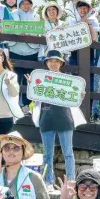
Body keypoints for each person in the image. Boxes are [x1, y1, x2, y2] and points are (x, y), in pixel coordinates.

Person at [32, 50, 84, 185]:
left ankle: (71, 181)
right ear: (47, 63)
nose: (54, 64)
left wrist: (80, 97)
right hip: (46, 117)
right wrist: (32, 86)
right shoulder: (40, 79)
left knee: (68, 152)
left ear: (61, 63)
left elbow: (75, 99)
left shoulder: (68, 80)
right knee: (47, 154)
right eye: (51, 61)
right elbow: (34, 99)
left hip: (64, 118)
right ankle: (48, 182)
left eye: (56, 61)